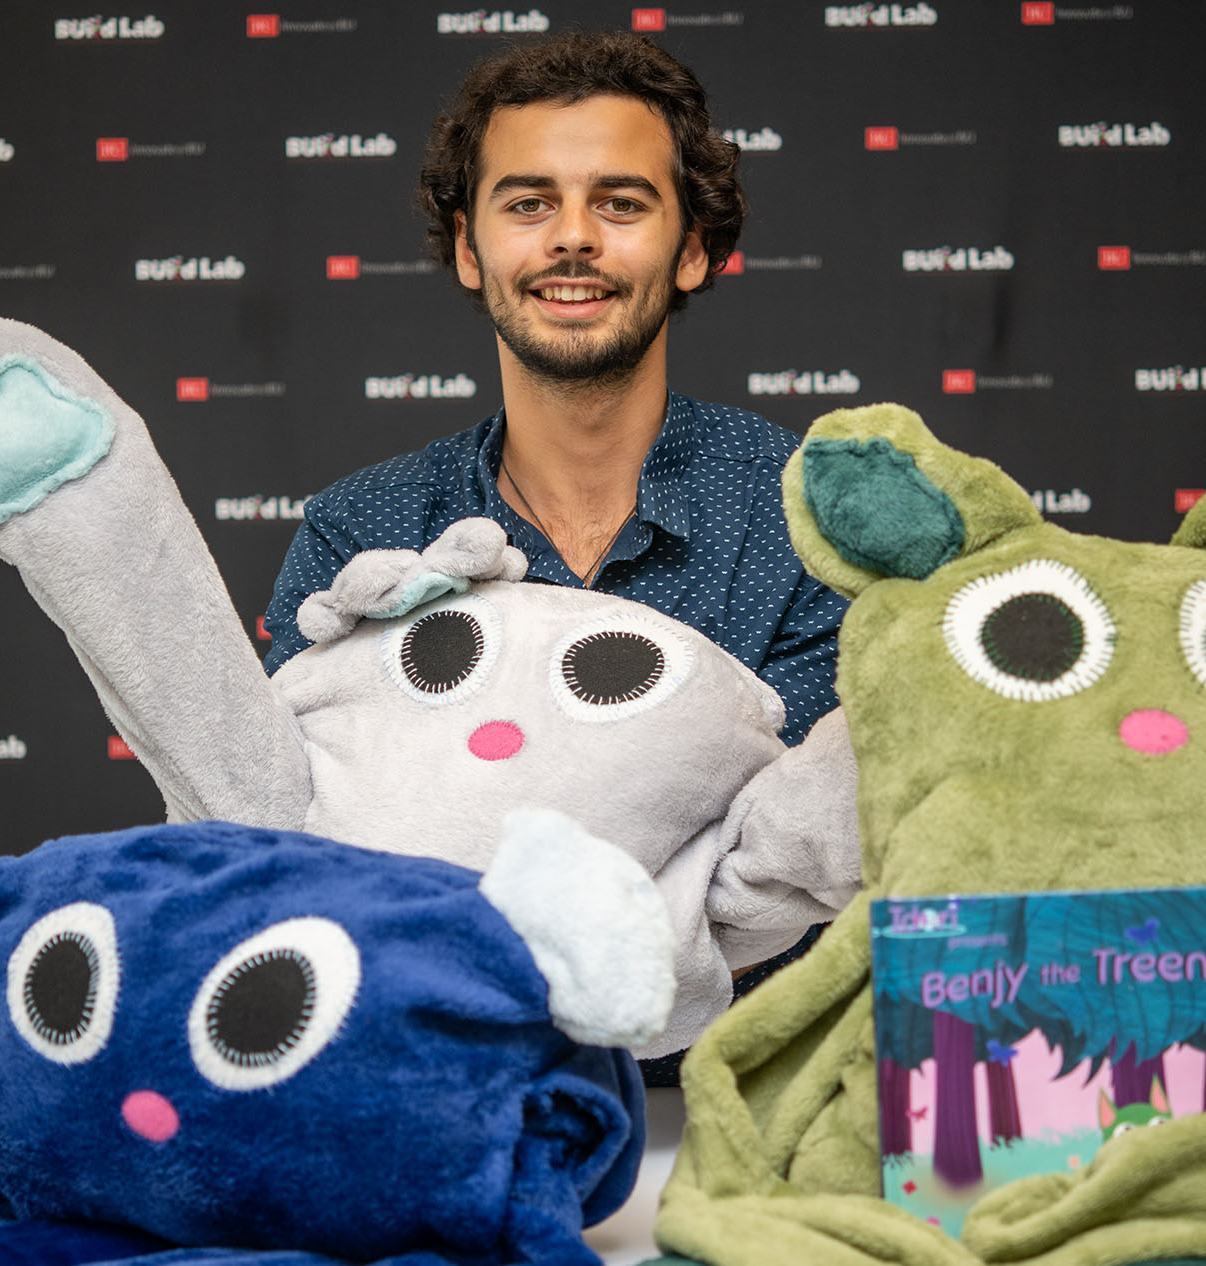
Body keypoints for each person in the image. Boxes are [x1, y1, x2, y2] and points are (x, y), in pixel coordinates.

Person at [261, 30, 847, 749]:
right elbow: (308, 823)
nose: (573, 237)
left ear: (692, 249)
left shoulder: (804, 526)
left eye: (621, 204)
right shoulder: (358, 531)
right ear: (470, 249)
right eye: (529, 204)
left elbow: (794, 832)